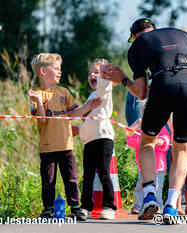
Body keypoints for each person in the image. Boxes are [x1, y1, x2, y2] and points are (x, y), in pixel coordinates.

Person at [101, 18, 187, 222]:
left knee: (147, 142)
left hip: (162, 86)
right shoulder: (181, 34)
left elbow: (141, 92)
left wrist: (123, 79)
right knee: (181, 149)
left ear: (133, 36)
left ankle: (150, 194)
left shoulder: (137, 46)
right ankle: (171, 205)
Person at [28, 53, 102, 221]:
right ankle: (48, 209)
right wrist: (39, 102)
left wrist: (87, 106)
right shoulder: (36, 94)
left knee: (71, 178)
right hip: (47, 147)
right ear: (43, 71)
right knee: (48, 180)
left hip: (66, 145)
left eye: (60, 69)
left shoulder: (64, 92)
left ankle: (75, 208)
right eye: (56, 69)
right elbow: (41, 119)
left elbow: (73, 114)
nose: (60, 72)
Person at [72, 58, 118, 220]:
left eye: (96, 72)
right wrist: (79, 129)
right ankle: (85, 207)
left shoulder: (104, 90)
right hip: (89, 141)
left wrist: (105, 75)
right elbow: (88, 117)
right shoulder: (91, 96)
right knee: (88, 174)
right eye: (90, 72)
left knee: (104, 172)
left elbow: (104, 85)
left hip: (104, 138)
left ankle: (109, 206)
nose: (92, 75)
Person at [127, 117, 170, 216]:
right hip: (143, 167)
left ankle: (158, 206)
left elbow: (166, 140)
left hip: (158, 167)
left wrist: (160, 141)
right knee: (140, 187)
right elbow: (130, 141)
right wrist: (134, 129)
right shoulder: (140, 126)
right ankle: (138, 206)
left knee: (157, 188)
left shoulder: (161, 125)